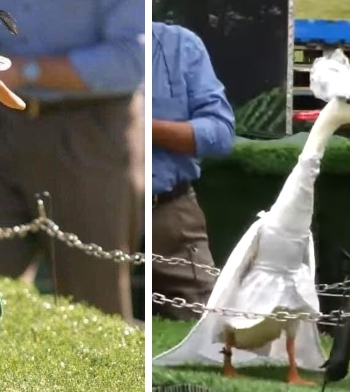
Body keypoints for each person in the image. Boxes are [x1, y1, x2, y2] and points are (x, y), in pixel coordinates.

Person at [0, 1, 145, 323]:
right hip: (6, 125)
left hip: (91, 131)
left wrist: (24, 70)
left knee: (93, 304)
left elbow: (131, 61)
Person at [151, 21, 235, 321]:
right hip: (93, 207)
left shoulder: (181, 45)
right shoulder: (79, 41)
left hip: (168, 214)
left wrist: (146, 127)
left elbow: (221, 132)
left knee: (211, 330)